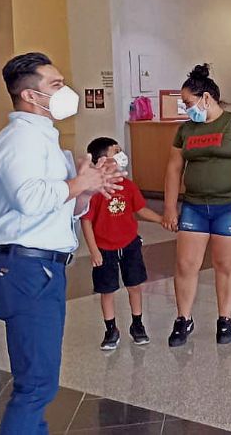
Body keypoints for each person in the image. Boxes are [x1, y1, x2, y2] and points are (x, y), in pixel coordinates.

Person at [0, 52, 123, 434]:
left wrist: (88, 187)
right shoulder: (20, 139)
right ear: (30, 96)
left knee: (39, 383)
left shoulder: (45, 138)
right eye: (56, 85)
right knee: (35, 387)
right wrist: (80, 183)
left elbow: (63, 206)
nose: (67, 92)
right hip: (25, 268)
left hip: (43, 268)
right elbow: (29, 199)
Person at [162, 64, 231, 346]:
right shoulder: (186, 130)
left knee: (224, 264)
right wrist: (170, 206)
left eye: (189, 103)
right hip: (194, 206)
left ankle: (225, 319)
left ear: (207, 98)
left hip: (228, 206)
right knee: (185, 264)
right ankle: (183, 318)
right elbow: (173, 168)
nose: (186, 109)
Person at [81, 137, 164, 350]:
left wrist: (161, 219)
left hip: (129, 245)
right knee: (107, 290)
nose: (121, 154)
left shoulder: (128, 185)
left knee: (134, 286)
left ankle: (137, 324)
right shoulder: (95, 191)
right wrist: (94, 251)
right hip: (104, 249)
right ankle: (111, 329)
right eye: (115, 151)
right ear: (101, 160)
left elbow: (141, 209)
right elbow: (86, 221)